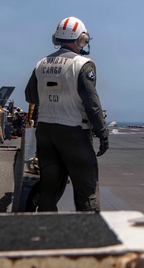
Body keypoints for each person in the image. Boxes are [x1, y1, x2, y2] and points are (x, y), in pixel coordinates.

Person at [24, 16, 109, 212]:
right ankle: (87, 234)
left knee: (49, 188)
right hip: (74, 134)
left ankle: (47, 232)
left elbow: (30, 96)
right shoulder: (83, 64)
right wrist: (103, 134)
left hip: (45, 131)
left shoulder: (41, 64)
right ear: (80, 40)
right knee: (86, 190)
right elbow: (92, 104)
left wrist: (52, 99)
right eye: (84, 40)